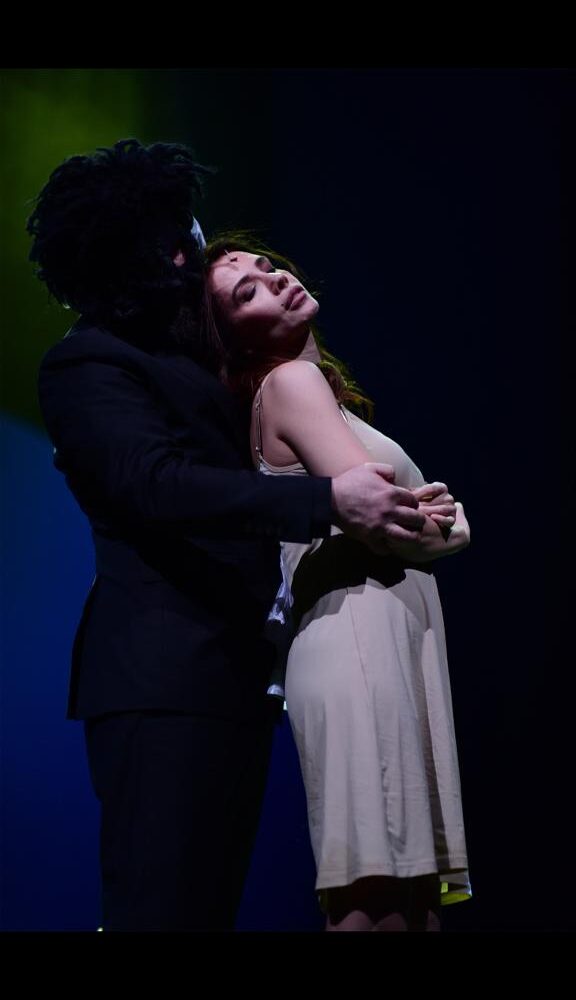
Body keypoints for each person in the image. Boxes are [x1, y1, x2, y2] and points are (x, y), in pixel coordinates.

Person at [26, 139, 427, 932]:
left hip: (228, 676)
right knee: (161, 911)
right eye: (179, 234)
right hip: (164, 681)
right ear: (152, 253)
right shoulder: (89, 364)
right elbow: (155, 484)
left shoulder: (194, 357)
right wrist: (329, 500)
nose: (196, 246)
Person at [203, 232, 472, 932]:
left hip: (385, 627)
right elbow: (391, 523)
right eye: (246, 292)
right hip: (356, 632)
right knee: (374, 896)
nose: (273, 279)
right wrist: (456, 527)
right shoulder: (289, 384)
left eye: (266, 267)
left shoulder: (316, 394)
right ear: (233, 339)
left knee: (412, 899)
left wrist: (433, 524)